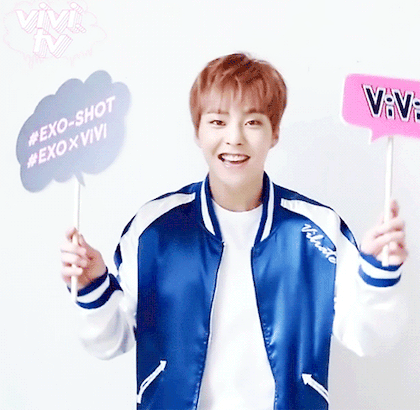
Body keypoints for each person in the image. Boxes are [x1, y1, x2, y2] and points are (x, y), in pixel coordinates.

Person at [61, 53, 408, 410]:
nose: (234, 138)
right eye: (217, 121)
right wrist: (91, 286)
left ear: (274, 133)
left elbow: (370, 337)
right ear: (197, 132)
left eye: (253, 122)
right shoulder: (155, 229)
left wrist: (379, 275)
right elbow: (111, 341)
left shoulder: (318, 230)